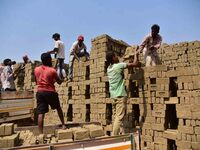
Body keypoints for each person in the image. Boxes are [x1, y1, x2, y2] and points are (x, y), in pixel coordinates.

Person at [106, 51, 139, 135]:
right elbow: (135, 64)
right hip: (120, 95)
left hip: (113, 96)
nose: (117, 57)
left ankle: (118, 133)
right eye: (116, 56)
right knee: (119, 117)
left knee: (115, 117)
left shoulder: (109, 68)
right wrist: (135, 55)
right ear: (113, 58)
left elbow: (118, 63)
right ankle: (114, 136)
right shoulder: (119, 66)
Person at [34, 53, 66, 134]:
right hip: (50, 92)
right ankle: (63, 125)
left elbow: (36, 81)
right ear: (49, 60)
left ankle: (41, 133)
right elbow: (59, 82)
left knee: (41, 113)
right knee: (58, 108)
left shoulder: (36, 69)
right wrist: (62, 79)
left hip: (40, 92)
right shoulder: (52, 70)